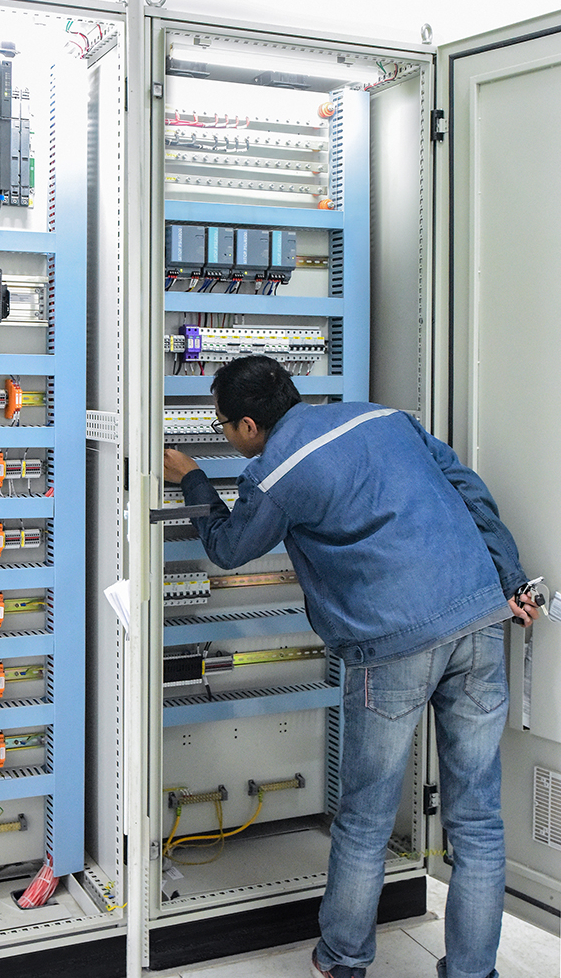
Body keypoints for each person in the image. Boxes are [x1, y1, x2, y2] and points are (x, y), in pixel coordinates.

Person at [162, 355, 539, 978]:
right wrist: (511, 581)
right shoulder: (384, 418)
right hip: (478, 621)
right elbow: (470, 490)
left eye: (223, 424)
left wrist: (193, 477)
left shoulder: (276, 471)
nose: (226, 435)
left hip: (392, 647)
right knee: (477, 819)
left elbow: (229, 548)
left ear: (250, 426)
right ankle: (474, 972)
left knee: (364, 820)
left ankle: (343, 962)